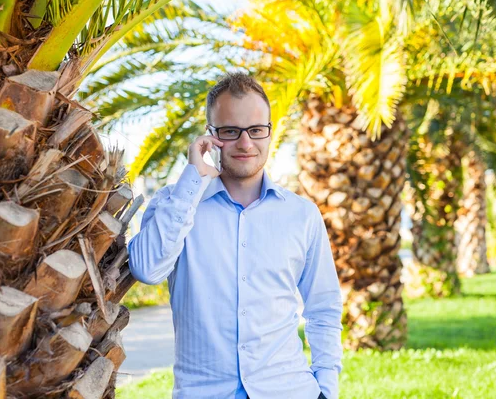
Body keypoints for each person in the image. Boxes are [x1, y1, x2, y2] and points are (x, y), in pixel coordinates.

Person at [128, 72, 343, 399]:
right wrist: (192, 180)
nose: (245, 143)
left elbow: (323, 308)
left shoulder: (302, 215)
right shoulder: (176, 203)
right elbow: (147, 269)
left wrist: (326, 388)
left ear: (270, 132)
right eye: (230, 131)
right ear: (209, 136)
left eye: (256, 130)